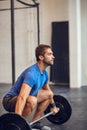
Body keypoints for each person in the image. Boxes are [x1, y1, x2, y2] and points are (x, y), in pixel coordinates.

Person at [2, 44, 58, 130]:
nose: (53, 57)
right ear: (41, 57)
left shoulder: (45, 74)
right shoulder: (32, 74)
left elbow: (49, 93)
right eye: (49, 54)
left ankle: (35, 122)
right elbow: (22, 97)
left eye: (52, 54)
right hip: (10, 100)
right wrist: (17, 121)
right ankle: (20, 125)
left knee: (48, 94)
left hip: (25, 97)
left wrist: (53, 106)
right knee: (32, 100)